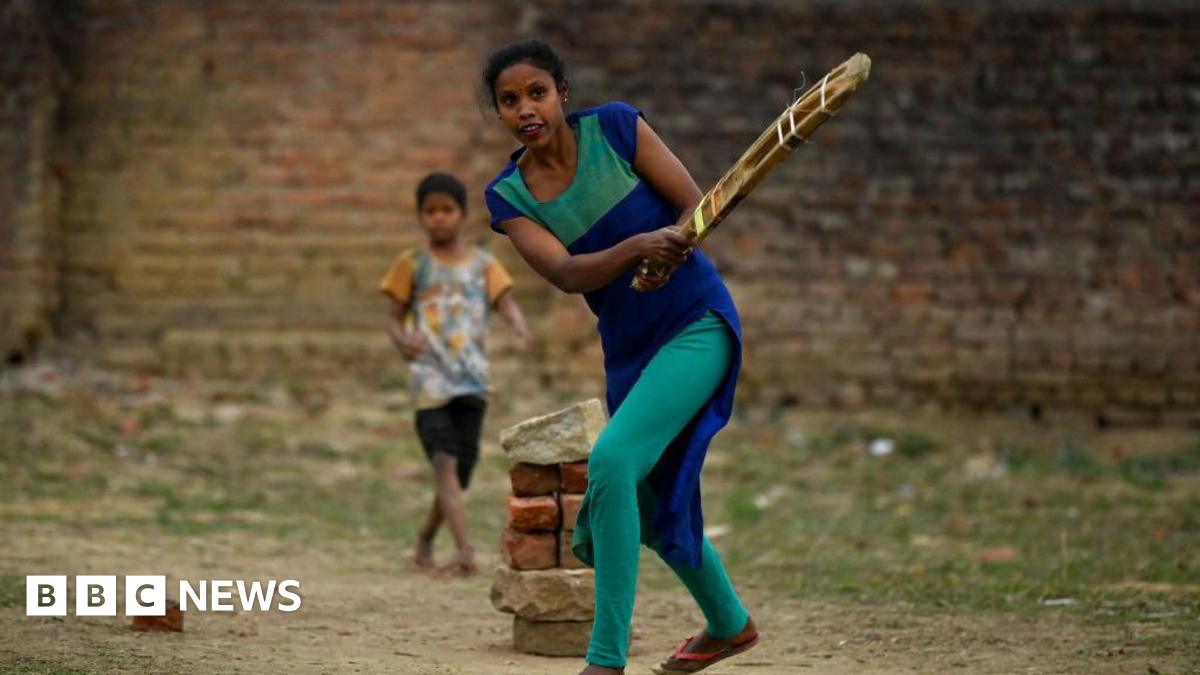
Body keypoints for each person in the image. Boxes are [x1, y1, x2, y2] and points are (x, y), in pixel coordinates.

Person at [481, 40, 759, 674]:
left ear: (563, 94)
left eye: (537, 92)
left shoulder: (616, 127)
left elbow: (695, 205)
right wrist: (636, 248)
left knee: (611, 460)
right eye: (509, 100)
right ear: (498, 113)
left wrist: (673, 247)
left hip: (697, 323)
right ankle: (729, 624)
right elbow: (567, 273)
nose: (526, 107)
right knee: (654, 507)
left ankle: (604, 662)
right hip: (629, 352)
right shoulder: (508, 196)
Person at [380, 172, 532, 577]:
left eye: (447, 210)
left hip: (472, 381)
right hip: (430, 382)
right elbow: (393, 318)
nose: (439, 218)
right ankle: (466, 552)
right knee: (444, 463)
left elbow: (505, 302)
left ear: (462, 214)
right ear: (420, 217)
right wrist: (400, 341)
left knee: (460, 471)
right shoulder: (411, 265)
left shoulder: (484, 264)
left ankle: (426, 540)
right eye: (430, 211)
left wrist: (518, 325)